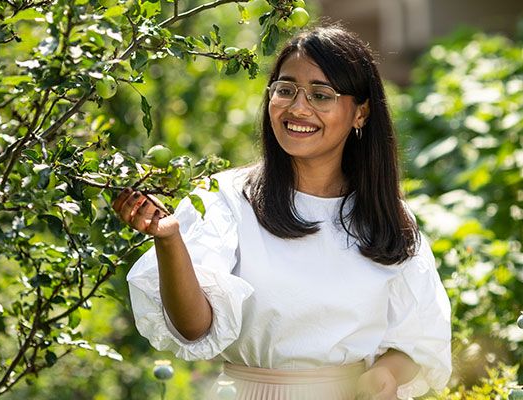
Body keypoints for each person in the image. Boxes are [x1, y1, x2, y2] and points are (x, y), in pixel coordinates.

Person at [112, 24, 452, 400]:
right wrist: (170, 239)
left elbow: (418, 336)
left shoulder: (386, 217)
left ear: (361, 112)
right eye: (286, 90)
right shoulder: (228, 198)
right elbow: (194, 327)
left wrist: (384, 376)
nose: (298, 108)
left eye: (321, 95)